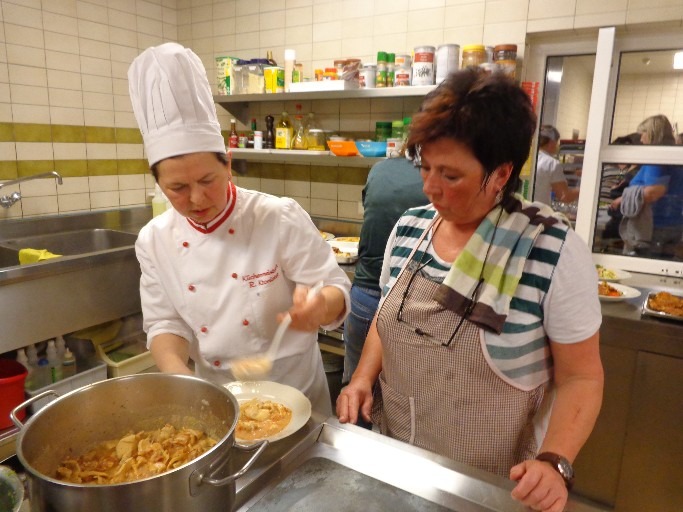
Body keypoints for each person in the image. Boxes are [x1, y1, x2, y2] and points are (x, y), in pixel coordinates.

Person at [336, 68, 604, 512]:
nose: (429, 187)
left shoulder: (551, 251)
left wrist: (555, 462)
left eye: (451, 176)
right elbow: (389, 316)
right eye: (425, 167)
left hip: (492, 488)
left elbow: (582, 377)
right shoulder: (410, 228)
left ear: (500, 174)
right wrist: (363, 378)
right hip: (399, 464)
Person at [128, 42, 351, 416]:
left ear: (228, 164)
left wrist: (320, 307)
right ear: (158, 183)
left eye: (207, 180)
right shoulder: (153, 240)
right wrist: (180, 377)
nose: (197, 199)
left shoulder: (277, 216)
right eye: (177, 188)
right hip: (218, 401)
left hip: (296, 396)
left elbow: (335, 288)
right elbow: (165, 323)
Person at [343, 155, 428, 392]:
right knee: (400, 393)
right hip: (407, 304)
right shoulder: (438, 186)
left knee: (356, 388)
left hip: (363, 296)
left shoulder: (380, 168)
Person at [610, 115, 683, 258]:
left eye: (643, 134)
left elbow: (655, 191)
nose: (641, 140)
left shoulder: (656, 159)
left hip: (653, 228)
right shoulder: (673, 157)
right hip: (674, 224)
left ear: (652, 133)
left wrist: (622, 199)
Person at [534, 125, 580, 206]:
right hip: (538, 211)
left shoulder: (528, 158)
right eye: (557, 142)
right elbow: (564, 196)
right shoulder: (551, 163)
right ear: (551, 142)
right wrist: (585, 189)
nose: (557, 146)